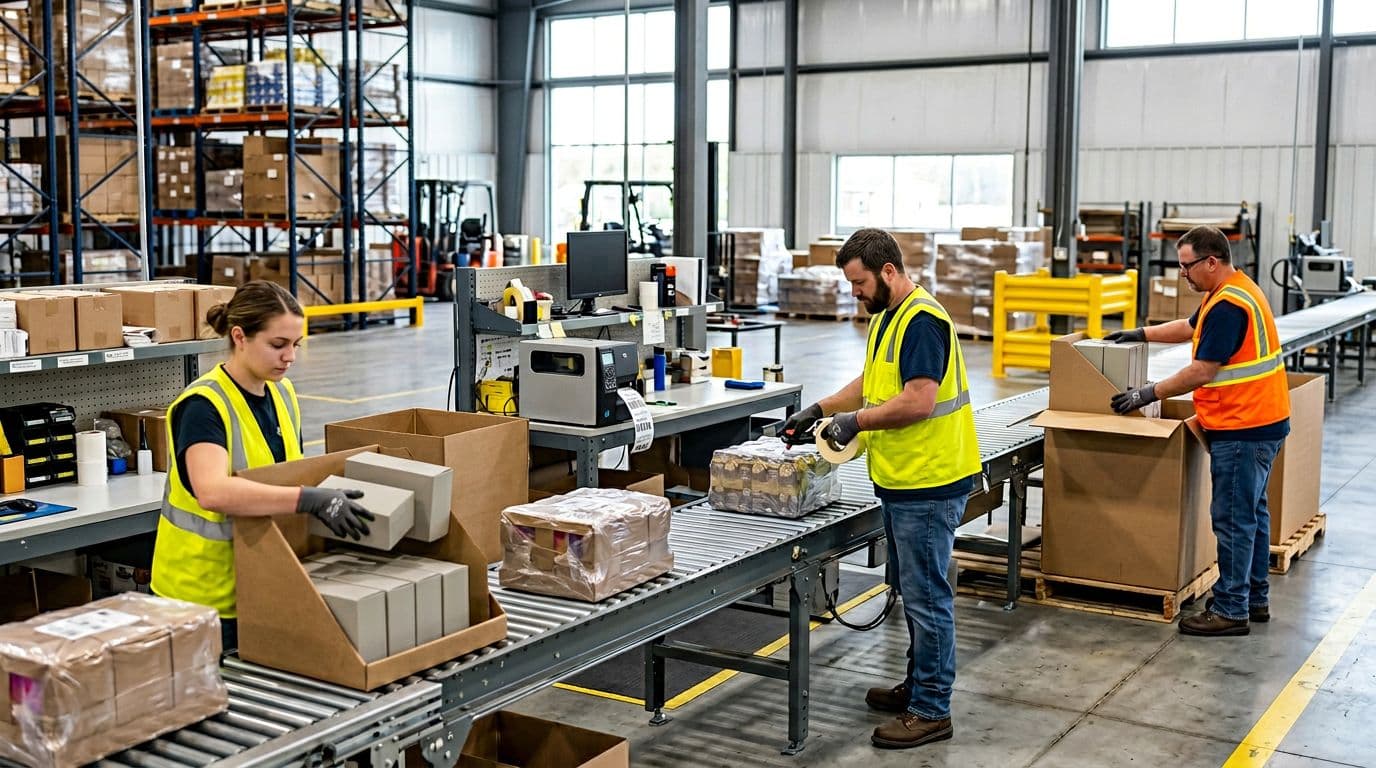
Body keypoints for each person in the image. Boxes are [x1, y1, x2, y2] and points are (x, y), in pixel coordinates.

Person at [781, 228, 981, 749]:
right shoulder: (890, 316)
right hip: (903, 481)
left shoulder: (921, 320)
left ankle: (932, 709)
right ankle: (919, 686)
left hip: (931, 482)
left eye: (859, 282)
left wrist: (857, 422)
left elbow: (917, 401)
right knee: (913, 591)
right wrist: (820, 409)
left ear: (888, 272)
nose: (855, 293)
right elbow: (871, 381)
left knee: (926, 597)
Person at [150, 280, 375, 652]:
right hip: (199, 599)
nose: (290, 357)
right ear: (240, 336)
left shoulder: (282, 393)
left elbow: (286, 473)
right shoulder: (204, 406)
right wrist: (308, 500)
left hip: (261, 583)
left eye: (296, 345)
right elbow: (212, 492)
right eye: (278, 345)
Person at [1107, 224, 1290, 637]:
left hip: (1243, 427)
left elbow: (1201, 371)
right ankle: (1252, 598)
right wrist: (1141, 334)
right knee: (1253, 515)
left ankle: (1230, 609)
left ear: (1211, 261)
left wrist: (1146, 393)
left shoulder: (1229, 306)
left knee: (1233, 519)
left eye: (1188, 266)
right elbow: (1192, 326)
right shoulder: (1229, 291)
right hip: (1262, 421)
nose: (1183, 274)